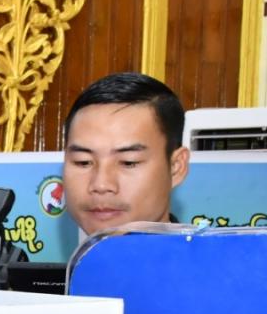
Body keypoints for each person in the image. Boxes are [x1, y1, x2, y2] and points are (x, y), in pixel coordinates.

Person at [62, 72, 190, 233]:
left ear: (176, 167)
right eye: (83, 162)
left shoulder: (208, 250)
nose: (101, 185)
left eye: (128, 163)